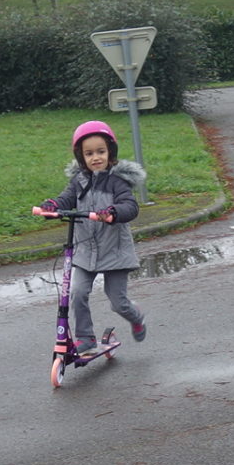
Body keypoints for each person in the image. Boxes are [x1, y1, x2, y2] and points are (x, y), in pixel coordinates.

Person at [31, 120, 149, 345]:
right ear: (81, 157)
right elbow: (66, 199)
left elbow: (130, 206)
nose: (96, 157)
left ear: (110, 152)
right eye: (89, 153)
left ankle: (136, 318)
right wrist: (52, 206)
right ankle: (86, 337)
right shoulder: (79, 181)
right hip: (85, 250)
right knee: (77, 292)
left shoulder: (117, 182)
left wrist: (113, 212)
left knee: (118, 303)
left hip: (114, 251)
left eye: (101, 151)